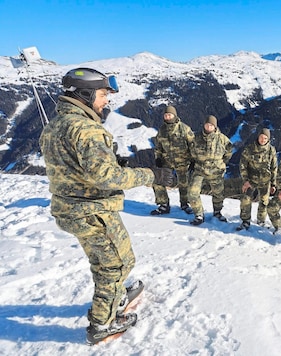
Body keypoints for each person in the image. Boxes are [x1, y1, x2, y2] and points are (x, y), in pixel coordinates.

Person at [39, 67, 176, 344]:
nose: (106, 101)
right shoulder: (86, 129)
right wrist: (152, 175)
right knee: (114, 265)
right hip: (91, 211)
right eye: (102, 94)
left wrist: (111, 164)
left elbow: (74, 167)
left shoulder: (56, 125)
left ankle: (114, 296)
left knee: (112, 260)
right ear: (86, 94)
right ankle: (103, 322)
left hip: (72, 209)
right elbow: (107, 178)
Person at [150, 105, 195, 215]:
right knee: (158, 180)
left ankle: (184, 204)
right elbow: (158, 146)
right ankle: (163, 204)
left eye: (169, 115)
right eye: (165, 115)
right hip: (167, 160)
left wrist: (194, 159)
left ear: (174, 115)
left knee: (183, 184)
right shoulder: (162, 130)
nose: (167, 117)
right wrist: (158, 158)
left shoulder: (184, 129)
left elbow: (193, 145)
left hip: (183, 161)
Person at [188, 115, 233, 225]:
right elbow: (192, 152)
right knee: (192, 192)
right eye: (207, 124)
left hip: (216, 171)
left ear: (215, 126)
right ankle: (199, 214)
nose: (209, 127)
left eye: (211, 125)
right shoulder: (196, 138)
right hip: (200, 170)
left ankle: (217, 212)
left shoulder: (222, 139)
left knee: (218, 193)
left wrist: (221, 163)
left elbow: (228, 153)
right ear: (204, 125)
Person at [237, 128, 278, 231]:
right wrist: (245, 180)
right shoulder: (249, 149)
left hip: (265, 181)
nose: (263, 140)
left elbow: (274, 167)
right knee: (246, 199)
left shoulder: (271, 150)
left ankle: (261, 221)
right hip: (251, 180)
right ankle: (245, 221)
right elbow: (242, 165)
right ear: (258, 137)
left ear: (268, 139)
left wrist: (273, 183)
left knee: (264, 201)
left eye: (265, 138)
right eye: (261, 137)